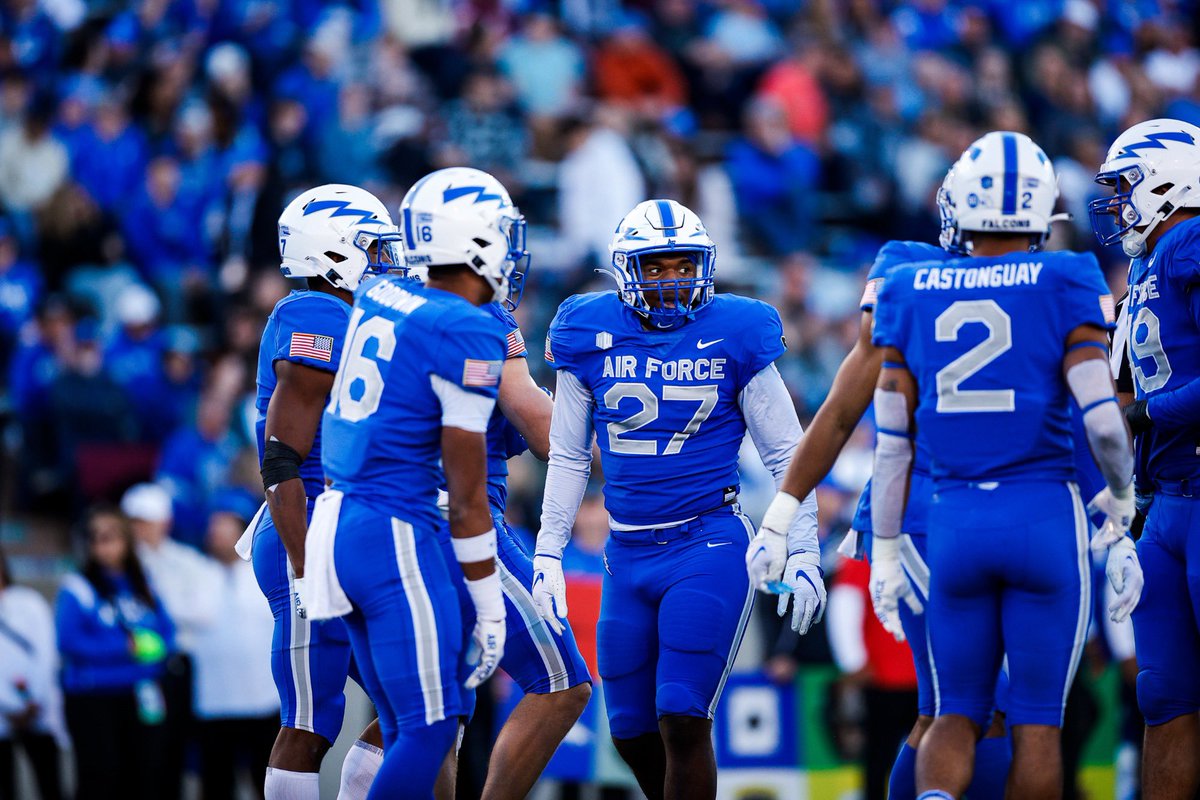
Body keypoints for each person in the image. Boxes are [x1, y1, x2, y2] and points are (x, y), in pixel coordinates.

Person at [869, 131, 1141, 799]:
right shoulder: (1067, 275)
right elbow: (1102, 417)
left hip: (956, 518)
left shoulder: (913, 284)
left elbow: (891, 442)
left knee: (954, 712)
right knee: (1037, 724)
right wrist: (1122, 497)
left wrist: (880, 546)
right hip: (1044, 514)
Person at [532, 199, 822, 800]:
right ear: (624, 270)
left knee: (683, 715)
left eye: (683, 265)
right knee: (630, 729)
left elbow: (788, 454)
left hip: (707, 540)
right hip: (627, 551)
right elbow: (566, 455)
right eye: (656, 267)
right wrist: (548, 554)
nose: (672, 280)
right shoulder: (586, 328)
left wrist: (804, 550)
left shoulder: (737, 328)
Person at [743, 168, 1013, 799]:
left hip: (989, 511)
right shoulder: (913, 272)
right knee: (979, 705)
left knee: (957, 706)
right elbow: (839, 409)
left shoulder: (1028, 283)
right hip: (924, 507)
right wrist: (782, 512)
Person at [304, 167, 521, 799]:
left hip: (339, 521)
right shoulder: (471, 329)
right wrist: (487, 604)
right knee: (432, 727)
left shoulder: (383, 293)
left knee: (402, 723)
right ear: (478, 243)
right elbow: (468, 488)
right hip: (393, 527)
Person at [379, 168, 592, 800]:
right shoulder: (476, 319)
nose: (511, 250)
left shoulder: (385, 302)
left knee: (432, 720)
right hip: (452, 517)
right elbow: (550, 435)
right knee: (562, 682)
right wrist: (595, 390)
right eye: (499, 235)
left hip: (382, 521)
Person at [238, 183, 402, 800]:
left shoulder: (363, 318)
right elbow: (281, 457)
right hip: (305, 530)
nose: (386, 261)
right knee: (311, 720)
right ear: (331, 253)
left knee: (419, 701)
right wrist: (308, 565)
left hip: (352, 532)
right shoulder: (314, 314)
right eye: (372, 248)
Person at [1089, 117, 1200, 799]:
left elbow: (1140, 404)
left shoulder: (1190, 241)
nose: (1116, 203)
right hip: (1165, 507)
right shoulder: (1141, 271)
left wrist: (1143, 413)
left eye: (1124, 186)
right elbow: (1123, 392)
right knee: (1163, 699)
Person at [56, 505, 175, 800]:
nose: (103, 544)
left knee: (145, 775)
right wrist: (125, 648)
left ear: (126, 540)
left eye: (111, 536)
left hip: (141, 693)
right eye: (95, 537)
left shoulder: (142, 584)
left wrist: (156, 648)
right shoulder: (78, 588)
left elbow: (168, 632)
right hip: (94, 697)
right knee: (101, 777)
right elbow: (68, 642)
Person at [121, 481, 220, 800]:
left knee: (171, 750)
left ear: (164, 522)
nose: (140, 530)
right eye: (134, 522)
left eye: (145, 522)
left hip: (173, 669)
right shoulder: (117, 565)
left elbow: (203, 612)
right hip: (130, 668)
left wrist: (156, 606)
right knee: (134, 752)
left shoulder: (187, 561)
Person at [192, 496, 279, 800]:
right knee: (216, 781)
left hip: (263, 698)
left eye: (227, 528)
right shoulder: (195, 573)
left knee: (266, 779)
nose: (219, 535)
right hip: (215, 700)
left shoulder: (265, 570)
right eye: (214, 528)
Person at [0, 546, 64, 800]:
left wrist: (33, 700)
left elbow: (46, 654)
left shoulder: (28, 602)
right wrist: (8, 705)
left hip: (38, 710)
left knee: (49, 783)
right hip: (4, 714)